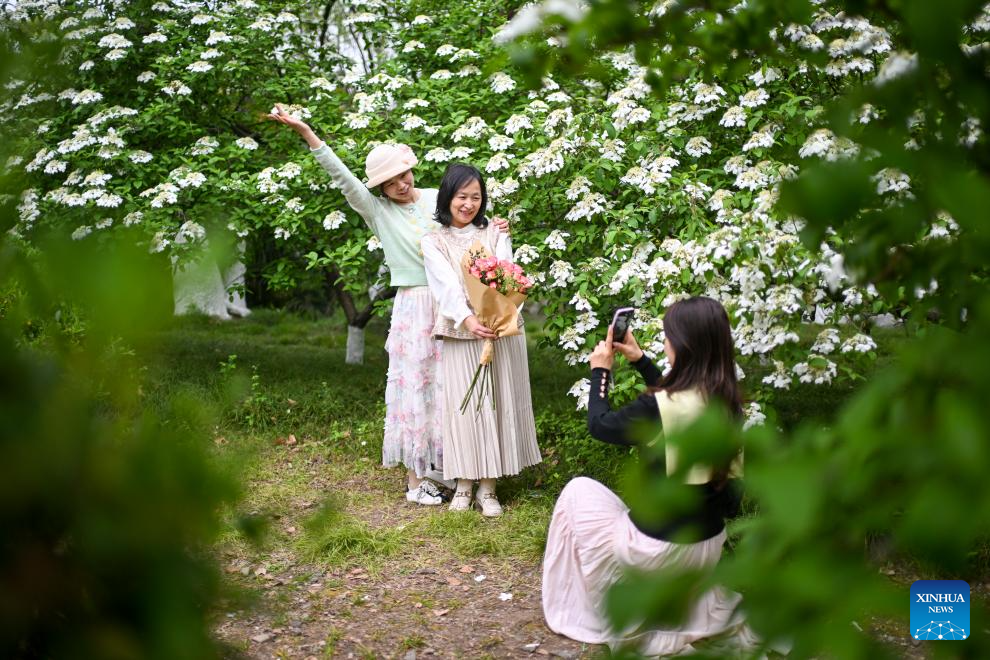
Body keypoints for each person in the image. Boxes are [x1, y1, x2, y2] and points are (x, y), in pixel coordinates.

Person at [268, 105, 508, 506]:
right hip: (415, 304)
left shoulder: (435, 198)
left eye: (403, 175)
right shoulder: (376, 211)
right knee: (415, 386)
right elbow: (342, 178)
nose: (400, 184)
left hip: (454, 300)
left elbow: (470, 222)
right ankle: (416, 480)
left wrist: (495, 225)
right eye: (389, 181)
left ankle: (450, 467)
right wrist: (307, 133)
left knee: (449, 385)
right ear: (379, 188)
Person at [542, 296, 758, 656]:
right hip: (706, 550)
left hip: (657, 551)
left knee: (577, 491)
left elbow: (600, 425)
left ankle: (583, 604)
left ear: (683, 346)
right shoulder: (727, 403)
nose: (666, 343)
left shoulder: (658, 407)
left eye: (668, 336)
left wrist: (601, 371)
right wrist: (640, 360)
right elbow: (678, 402)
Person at [420, 163, 541, 517]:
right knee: (465, 407)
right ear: (448, 197)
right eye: (462, 196)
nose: (469, 204)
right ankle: (463, 483)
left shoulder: (495, 233)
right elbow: (444, 286)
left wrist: (498, 315)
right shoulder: (433, 241)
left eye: (476, 197)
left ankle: (488, 488)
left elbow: (508, 275)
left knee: (496, 404)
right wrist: (470, 320)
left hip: (500, 331)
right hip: (462, 331)